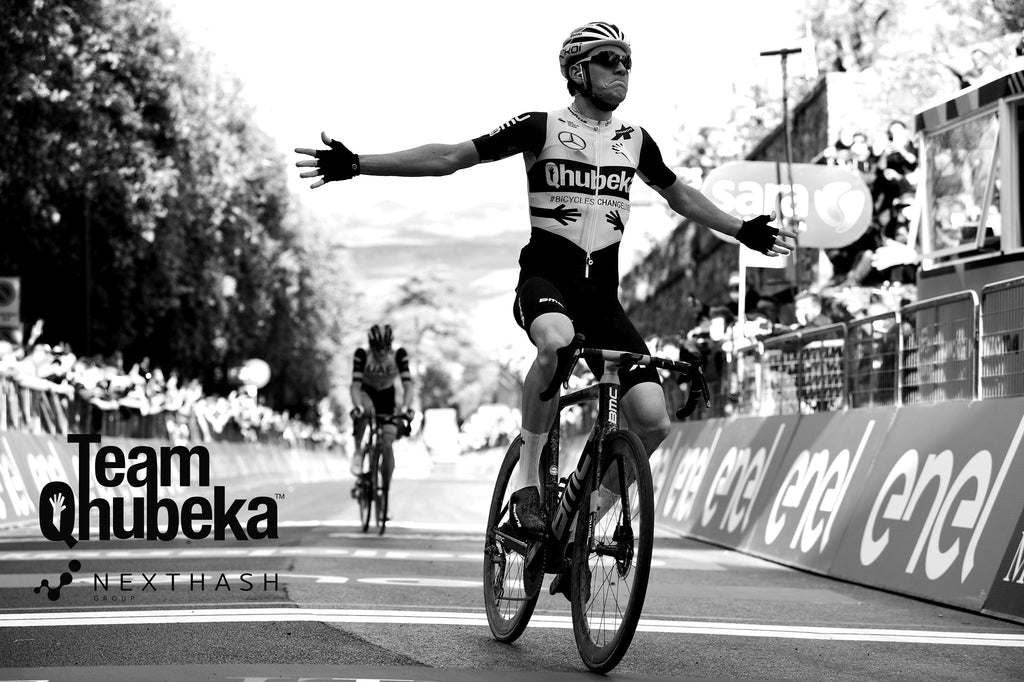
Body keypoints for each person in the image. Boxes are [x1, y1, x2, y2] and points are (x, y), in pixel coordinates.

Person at [297, 22, 794, 584]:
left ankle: (583, 526)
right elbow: (450, 156)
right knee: (555, 344)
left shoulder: (636, 139)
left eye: (628, 62)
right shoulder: (542, 126)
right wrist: (361, 162)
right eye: (609, 61)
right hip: (546, 280)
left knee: (654, 422)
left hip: (603, 299)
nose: (622, 71)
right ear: (578, 71)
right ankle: (529, 483)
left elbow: (678, 193)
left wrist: (739, 229)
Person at [349, 324, 414, 498]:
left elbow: (408, 385)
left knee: (387, 442)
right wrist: (357, 407)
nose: (381, 352)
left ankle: (384, 494)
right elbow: (355, 386)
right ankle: (358, 451)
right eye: (377, 348)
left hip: (387, 396)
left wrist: (407, 408)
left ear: (390, 345)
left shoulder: (399, 355)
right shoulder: (362, 355)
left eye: (386, 348)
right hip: (367, 392)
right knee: (366, 410)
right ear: (370, 345)